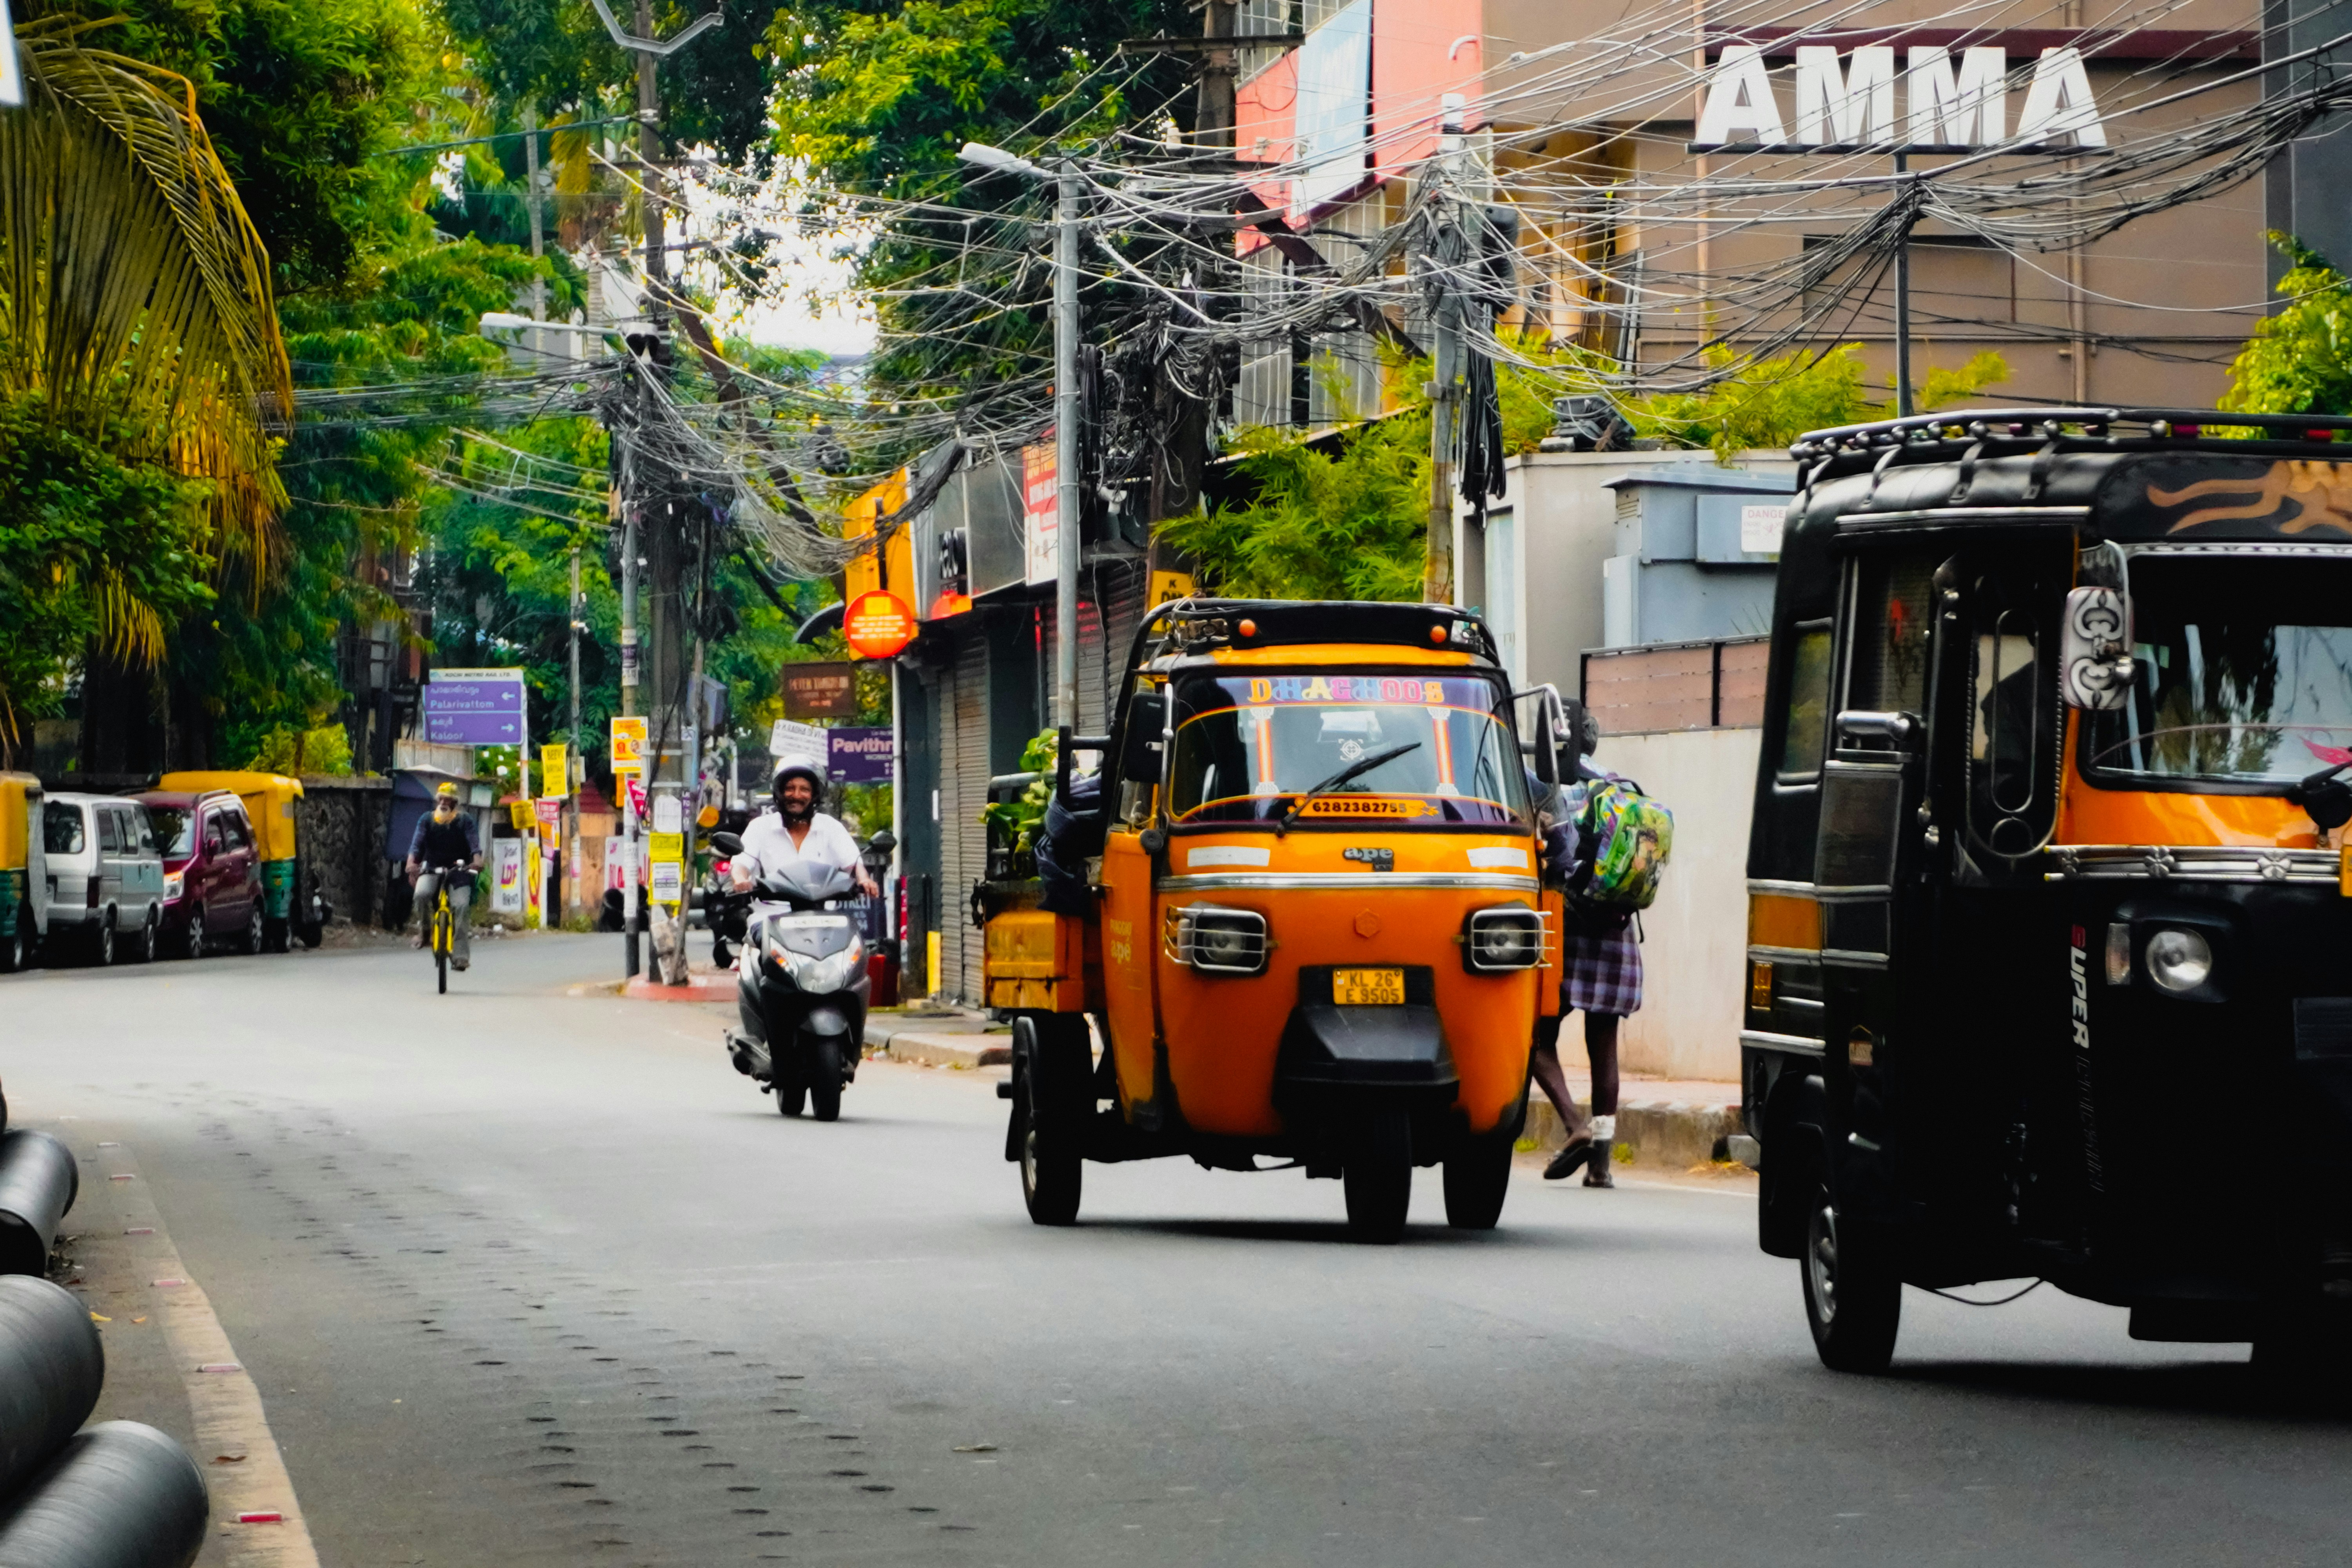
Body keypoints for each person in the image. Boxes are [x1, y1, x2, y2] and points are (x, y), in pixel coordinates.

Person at [1533, 735, 1643, 1189]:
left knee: (1532, 1037)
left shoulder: (1541, 787)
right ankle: (1600, 1166)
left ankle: (1574, 1123)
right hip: (1618, 932)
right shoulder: (1619, 788)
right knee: (1605, 1049)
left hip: (1569, 928)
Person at [732, 763, 879, 898]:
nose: (797, 795)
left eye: (805, 790)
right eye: (790, 788)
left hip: (825, 917)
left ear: (814, 796)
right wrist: (740, 879)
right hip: (771, 914)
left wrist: (864, 880)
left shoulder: (831, 827)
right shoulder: (759, 827)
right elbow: (742, 863)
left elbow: (853, 863)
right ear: (780, 793)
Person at [406, 782, 484, 970]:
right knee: (421, 895)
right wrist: (411, 863)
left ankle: (461, 957)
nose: (443, 803)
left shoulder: (465, 820)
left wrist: (477, 860)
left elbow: (474, 845)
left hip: (459, 871)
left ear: (455, 803)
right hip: (431, 868)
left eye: (448, 800)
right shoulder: (427, 820)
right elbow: (417, 844)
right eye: (441, 799)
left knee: (462, 907)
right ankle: (425, 933)